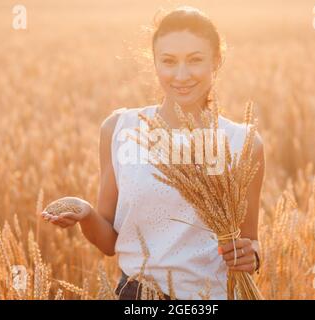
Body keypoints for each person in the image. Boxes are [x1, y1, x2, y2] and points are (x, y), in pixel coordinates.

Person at [42, 6, 265, 300]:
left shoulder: (244, 143)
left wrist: (253, 256)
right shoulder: (120, 129)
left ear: (216, 61)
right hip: (137, 297)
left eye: (195, 60)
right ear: (155, 63)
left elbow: (251, 241)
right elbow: (109, 243)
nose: (181, 75)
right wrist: (85, 213)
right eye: (169, 61)